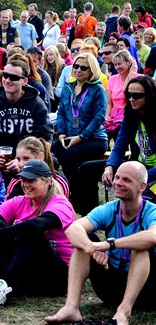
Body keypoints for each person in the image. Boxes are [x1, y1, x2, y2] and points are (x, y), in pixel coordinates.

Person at [44, 162, 156, 325]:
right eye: (117, 177)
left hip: (147, 291)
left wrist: (108, 245)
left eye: (126, 180)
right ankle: (71, 307)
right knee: (83, 240)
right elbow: (73, 228)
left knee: (141, 245)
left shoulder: (151, 210)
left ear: (142, 186)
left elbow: (153, 236)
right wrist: (92, 248)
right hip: (110, 288)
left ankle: (124, 312)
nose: (117, 183)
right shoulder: (110, 209)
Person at [0, 159, 75, 307]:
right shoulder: (20, 201)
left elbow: (35, 225)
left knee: (29, 231)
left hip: (57, 277)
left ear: (47, 181)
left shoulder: (60, 204)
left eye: (31, 180)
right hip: (30, 271)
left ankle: (4, 286)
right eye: (23, 179)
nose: (26, 185)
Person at [51, 53, 108, 213]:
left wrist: (81, 137)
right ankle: (61, 197)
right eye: (76, 66)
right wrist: (61, 134)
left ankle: (78, 198)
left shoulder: (97, 89)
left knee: (68, 158)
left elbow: (99, 117)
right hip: (69, 136)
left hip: (94, 138)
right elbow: (61, 112)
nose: (78, 70)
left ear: (92, 70)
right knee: (51, 154)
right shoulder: (69, 87)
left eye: (83, 67)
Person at [0, 59, 53, 176]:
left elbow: (45, 141)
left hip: (28, 160)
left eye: (13, 77)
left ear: (24, 81)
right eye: (5, 75)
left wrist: (21, 161)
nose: (8, 80)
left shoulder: (36, 104)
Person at [104, 50, 141, 140]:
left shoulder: (139, 78)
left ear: (129, 63)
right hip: (114, 115)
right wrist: (106, 116)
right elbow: (109, 103)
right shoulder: (112, 79)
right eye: (115, 65)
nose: (117, 67)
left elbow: (125, 93)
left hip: (130, 114)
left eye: (120, 64)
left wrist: (131, 74)